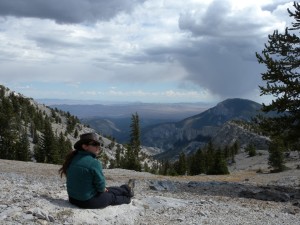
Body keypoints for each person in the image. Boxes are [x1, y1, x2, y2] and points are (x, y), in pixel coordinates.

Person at [59, 132, 135, 209]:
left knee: (107, 190)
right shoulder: (94, 163)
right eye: (95, 144)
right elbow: (101, 187)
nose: (98, 147)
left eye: (99, 144)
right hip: (87, 201)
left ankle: (126, 189)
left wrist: (103, 189)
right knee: (111, 196)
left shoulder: (73, 158)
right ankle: (127, 198)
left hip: (72, 199)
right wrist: (102, 189)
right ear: (85, 146)